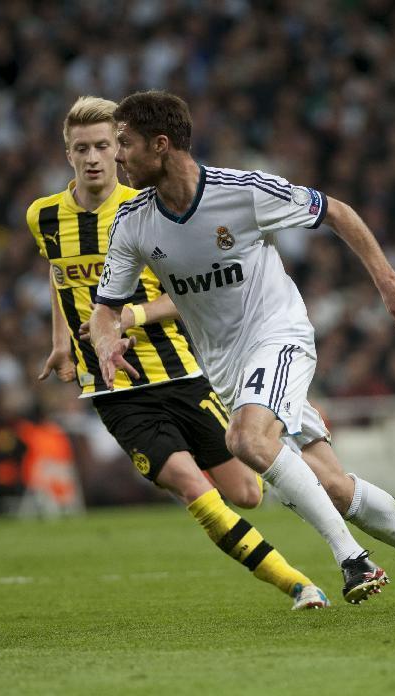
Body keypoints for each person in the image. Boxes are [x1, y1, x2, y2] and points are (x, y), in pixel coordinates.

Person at [91, 91, 395, 614]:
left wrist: (386, 280)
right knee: (334, 486)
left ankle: (351, 559)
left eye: (124, 144)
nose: (116, 157)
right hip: (227, 367)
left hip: (280, 335)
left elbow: (336, 212)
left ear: (161, 145)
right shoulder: (133, 222)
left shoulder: (244, 192)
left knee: (246, 440)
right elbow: (106, 308)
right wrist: (106, 340)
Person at [28, 96, 329, 610]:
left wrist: (132, 316)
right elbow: (60, 277)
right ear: (68, 154)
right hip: (117, 387)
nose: (96, 157)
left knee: (247, 493)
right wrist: (62, 343)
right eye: (83, 148)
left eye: (105, 144)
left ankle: (290, 412)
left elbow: (191, 291)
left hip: (185, 370)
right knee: (193, 487)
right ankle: (298, 584)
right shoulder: (45, 217)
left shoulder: (145, 210)